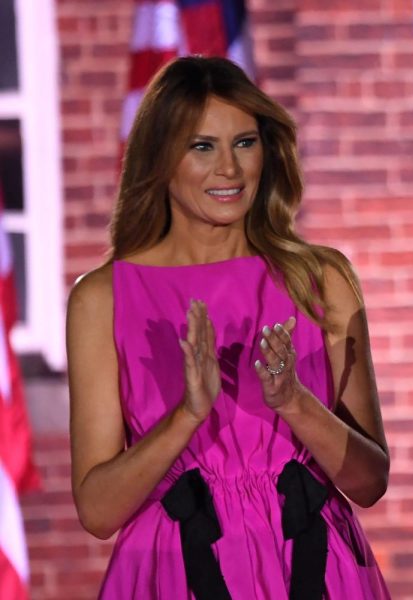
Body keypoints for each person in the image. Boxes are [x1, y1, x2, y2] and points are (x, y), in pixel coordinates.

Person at [67, 56, 391, 599]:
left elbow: (369, 483)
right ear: (160, 157)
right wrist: (187, 416)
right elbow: (98, 512)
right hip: (174, 573)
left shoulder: (321, 278)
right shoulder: (102, 299)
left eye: (245, 143)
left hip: (313, 566)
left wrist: (293, 401)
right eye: (202, 146)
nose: (231, 170)